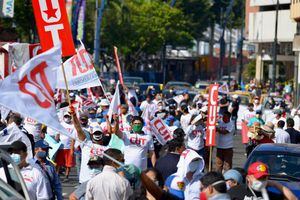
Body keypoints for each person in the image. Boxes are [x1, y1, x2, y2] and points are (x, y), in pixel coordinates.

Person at [70, 107, 108, 184]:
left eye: (99, 133)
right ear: (92, 134)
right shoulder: (87, 144)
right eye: (95, 133)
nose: (97, 135)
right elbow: (78, 129)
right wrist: (74, 116)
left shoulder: (107, 149)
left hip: (99, 183)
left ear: (102, 135)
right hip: (85, 181)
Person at [230, 161, 297, 200]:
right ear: (248, 178)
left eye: (264, 178)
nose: (261, 181)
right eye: (258, 178)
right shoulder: (235, 191)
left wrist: (275, 184)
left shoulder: (271, 195)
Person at [55, 111, 76, 181]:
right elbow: (57, 135)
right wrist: (56, 142)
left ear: (70, 117)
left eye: (68, 116)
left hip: (69, 147)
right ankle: (56, 175)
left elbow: (74, 138)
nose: (67, 118)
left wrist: (72, 148)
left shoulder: (73, 125)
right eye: (66, 116)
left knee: (68, 163)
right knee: (58, 162)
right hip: (61, 147)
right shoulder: (61, 124)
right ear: (63, 117)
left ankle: (66, 176)